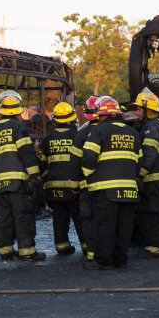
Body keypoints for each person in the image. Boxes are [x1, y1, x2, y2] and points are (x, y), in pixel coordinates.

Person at [80, 96, 141, 270]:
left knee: (106, 226)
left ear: (102, 114)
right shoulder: (133, 133)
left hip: (105, 189)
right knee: (124, 226)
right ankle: (121, 260)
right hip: (129, 189)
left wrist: (88, 176)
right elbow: (140, 162)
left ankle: (105, 261)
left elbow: (89, 157)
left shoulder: (99, 130)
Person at [0, 94, 45, 261]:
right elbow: (26, 153)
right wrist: (35, 176)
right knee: (23, 216)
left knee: (5, 219)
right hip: (18, 183)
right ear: (17, 112)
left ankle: (5, 251)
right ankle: (27, 252)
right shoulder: (18, 127)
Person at [40, 101, 82, 255]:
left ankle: (62, 246)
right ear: (71, 119)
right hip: (74, 188)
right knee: (79, 218)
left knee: (59, 218)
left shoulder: (47, 139)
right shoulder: (78, 136)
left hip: (53, 188)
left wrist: (46, 178)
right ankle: (86, 246)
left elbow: (41, 163)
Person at [133, 88, 159, 258]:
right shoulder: (151, 125)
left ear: (148, 111)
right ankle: (152, 245)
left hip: (152, 181)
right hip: (153, 181)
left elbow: (149, 155)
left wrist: (139, 175)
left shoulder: (152, 127)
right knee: (147, 213)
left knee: (151, 214)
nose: (136, 112)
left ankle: (156, 247)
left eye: (139, 109)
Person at [70, 95, 100, 263]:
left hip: (86, 187)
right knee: (106, 219)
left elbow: (74, 163)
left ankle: (91, 253)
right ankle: (108, 252)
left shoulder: (81, 135)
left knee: (88, 219)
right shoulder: (114, 131)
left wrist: (74, 185)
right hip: (107, 188)